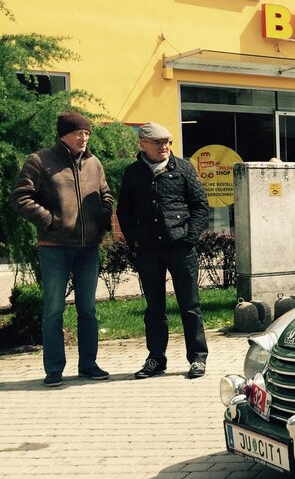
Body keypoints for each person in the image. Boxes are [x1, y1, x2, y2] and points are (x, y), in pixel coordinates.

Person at [10, 112, 114, 387]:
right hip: (54, 247)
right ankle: (54, 369)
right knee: (53, 310)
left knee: (88, 310)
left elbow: (106, 194)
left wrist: (103, 216)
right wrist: (49, 221)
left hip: (88, 247)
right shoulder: (40, 160)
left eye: (87, 133)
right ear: (63, 135)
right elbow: (20, 197)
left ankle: (88, 365)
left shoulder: (93, 162)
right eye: (78, 133)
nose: (84, 137)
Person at [117, 122, 210, 380]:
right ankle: (156, 359)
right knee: (154, 308)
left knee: (189, 305)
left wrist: (190, 237)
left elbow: (201, 205)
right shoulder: (133, 173)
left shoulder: (183, 169)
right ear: (143, 145)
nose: (164, 147)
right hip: (148, 250)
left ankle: (198, 358)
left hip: (181, 248)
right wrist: (134, 240)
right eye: (158, 143)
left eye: (167, 142)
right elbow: (123, 210)